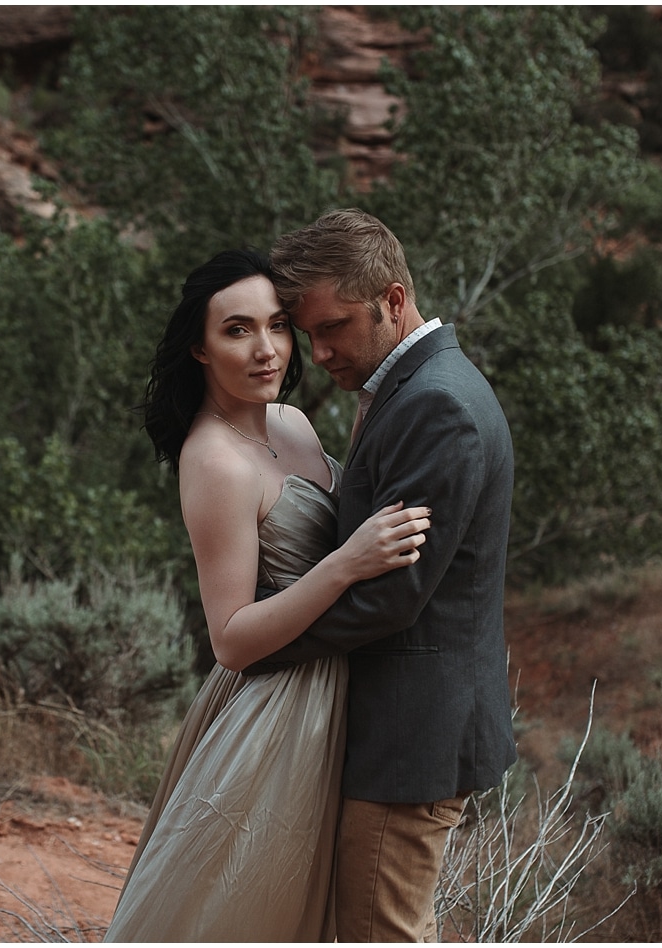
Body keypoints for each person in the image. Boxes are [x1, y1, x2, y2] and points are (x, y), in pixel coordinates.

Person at [105, 249, 435, 941]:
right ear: (198, 348)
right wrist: (345, 565)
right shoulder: (214, 462)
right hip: (278, 717)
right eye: (237, 330)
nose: (267, 350)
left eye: (279, 326)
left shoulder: (289, 422)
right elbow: (230, 637)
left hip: (340, 690)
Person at [244, 208, 516, 942]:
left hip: (410, 737)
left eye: (334, 328)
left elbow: (392, 598)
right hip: (403, 731)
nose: (320, 351)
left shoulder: (437, 406)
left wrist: (256, 644)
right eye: (309, 335)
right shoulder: (416, 388)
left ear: (393, 301)